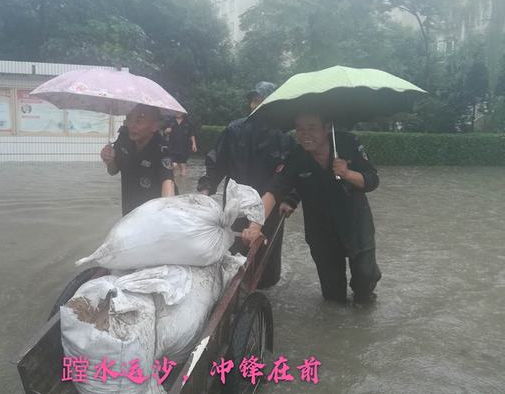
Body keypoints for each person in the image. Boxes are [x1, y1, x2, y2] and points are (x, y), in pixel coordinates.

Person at [242, 113, 382, 305]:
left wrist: (347, 173)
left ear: (327, 128)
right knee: (333, 297)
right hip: (320, 229)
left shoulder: (348, 143)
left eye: (311, 127)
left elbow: (372, 180)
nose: (305, 134)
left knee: (365, 278)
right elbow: (274, 191)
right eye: (300, 129)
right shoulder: (296, 156)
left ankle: (364, 302)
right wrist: (255, 226)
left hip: (355, 223)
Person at [197, 81, 299, 289]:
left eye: (262, 100)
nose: (256, 105)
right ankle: (233, 287)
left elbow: (289, 177)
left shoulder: (284, 138)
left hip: (269, 206)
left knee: (266, 264)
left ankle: (261, 291)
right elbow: (216, 163)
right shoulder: (234, 130)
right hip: (236, 203)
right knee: (232, 256)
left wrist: (290, 199)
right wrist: (202, 194)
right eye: (254, 100)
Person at [100, 104, 176, 216]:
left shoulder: (161, 148)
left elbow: (168, 182)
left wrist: (168, 213)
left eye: (139, 120)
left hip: (154, 214)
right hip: (129, 211)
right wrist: (109, 160)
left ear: (154, 126)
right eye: (129, 119)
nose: (132, 125)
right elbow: (113, 171)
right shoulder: (124, 138)